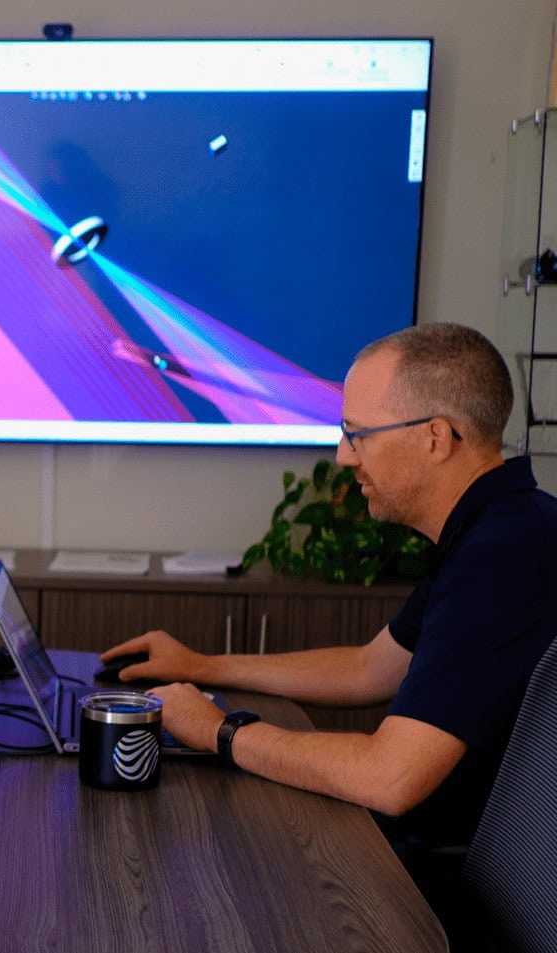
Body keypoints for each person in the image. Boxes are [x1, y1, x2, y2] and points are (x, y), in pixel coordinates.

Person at [101, 322, 557, 923]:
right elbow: (372, 667)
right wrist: (203, 666)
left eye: (358, 434)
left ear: (436, 438)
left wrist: (221, 732)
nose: (344, 456)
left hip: (454, 889)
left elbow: (391, 776)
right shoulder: (503, 526)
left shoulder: (503, 555)